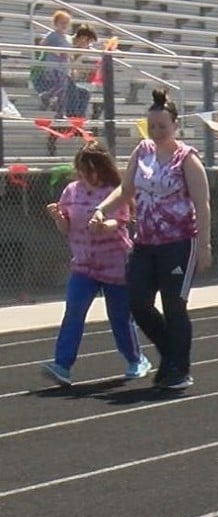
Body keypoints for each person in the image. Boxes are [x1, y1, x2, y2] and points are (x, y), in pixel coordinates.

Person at [91, 89, 212, 390]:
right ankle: (171, 354)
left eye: (162, 126)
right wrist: (101, 209)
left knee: (174, 307)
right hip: (145, 242)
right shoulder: (142, 151)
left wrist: (205, 245)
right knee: (138, 302)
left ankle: (178, 369)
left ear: (175, 126)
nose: (157, 132)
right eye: (152, 126)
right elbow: (126, 189)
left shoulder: (187, 158)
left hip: (179, 242)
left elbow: (202, 203)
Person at [41, 141, 150, 386]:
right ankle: (62, 364)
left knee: (119, 317)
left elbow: (119, 222)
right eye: (82, 170)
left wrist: (103, 226)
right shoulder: (71, 191)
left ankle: (135, 359)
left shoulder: (114, 190)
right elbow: (66, 228)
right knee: (74, 311)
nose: (87, 176)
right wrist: (58, 217)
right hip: (83, 265)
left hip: (115, 265)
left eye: (91, 170)